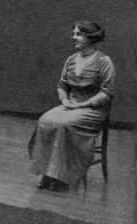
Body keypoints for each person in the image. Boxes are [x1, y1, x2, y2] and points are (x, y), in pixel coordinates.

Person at [29, 21, 116, 191]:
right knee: (45, 121)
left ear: (89, 37)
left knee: (64, 125)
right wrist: (65, 101)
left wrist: (85, 104)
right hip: (71, 105)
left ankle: (63, 177)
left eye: (77, 34)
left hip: (93, 109)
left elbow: (106, 92)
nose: (73, 37)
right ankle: (47, 173)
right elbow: (62, 85)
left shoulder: (104, 61)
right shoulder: (71, 60)